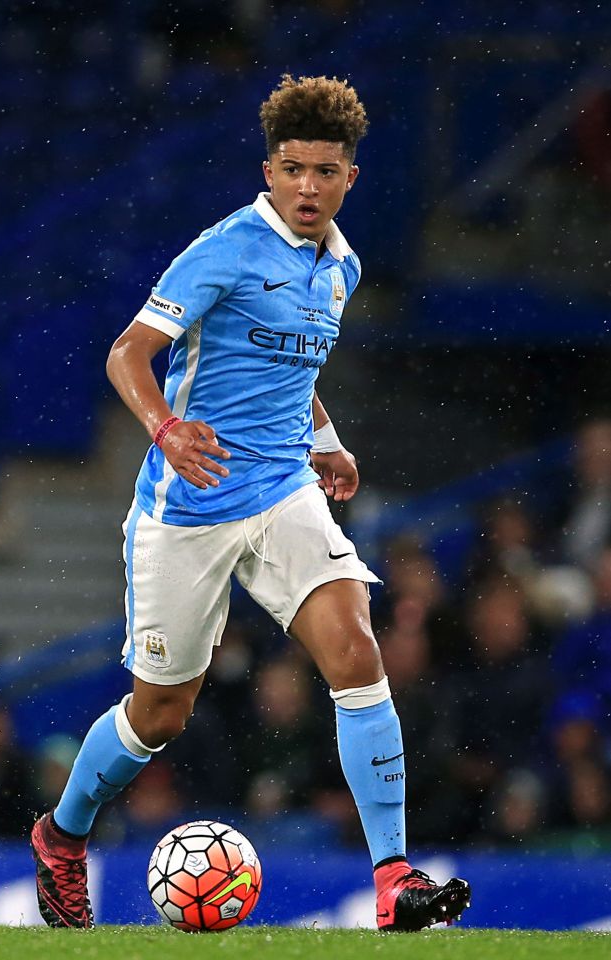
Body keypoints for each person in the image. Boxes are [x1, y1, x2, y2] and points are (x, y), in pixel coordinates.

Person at [31, 74, 471, 933]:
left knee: (354, 650)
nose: (308, 185)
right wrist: (162, 428)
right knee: (160, 713)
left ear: (351, 176)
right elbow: (129, 353)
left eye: (326, 170)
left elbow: (290, 373)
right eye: (293, 168)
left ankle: (393, 883)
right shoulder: (224, 249)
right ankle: (61, 836)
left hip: (282, 492)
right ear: (268, 170)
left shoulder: (340, 265)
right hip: (187, 506)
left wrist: (325, 440)